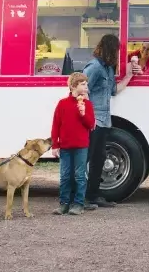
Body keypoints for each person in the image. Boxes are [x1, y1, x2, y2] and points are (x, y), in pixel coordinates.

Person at [82, 34, 136, 209]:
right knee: (87, 158)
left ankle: (92, 196)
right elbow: (82, 89)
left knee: (98, 159)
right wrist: (86, 116)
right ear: (109, 49)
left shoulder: (108, 69)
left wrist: (129, 76)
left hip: (104, 121)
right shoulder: (95, 67)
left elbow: (113, 90)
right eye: (115, 51)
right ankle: (79, 197)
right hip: (94, 120)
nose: (117, 54)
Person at [50, 72, 96, 216]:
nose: (86, 86)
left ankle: (78, 203)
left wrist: (83, 113)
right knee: (65, 175)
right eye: (83, 84)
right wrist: (55, 144)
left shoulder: (87, 104)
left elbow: (91, 125)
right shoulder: (62, 104)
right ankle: (64, 203)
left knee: (79, 175)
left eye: (86, 84)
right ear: (73, 86)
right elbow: (56, 125)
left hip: (81, 146)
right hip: (65, 146)